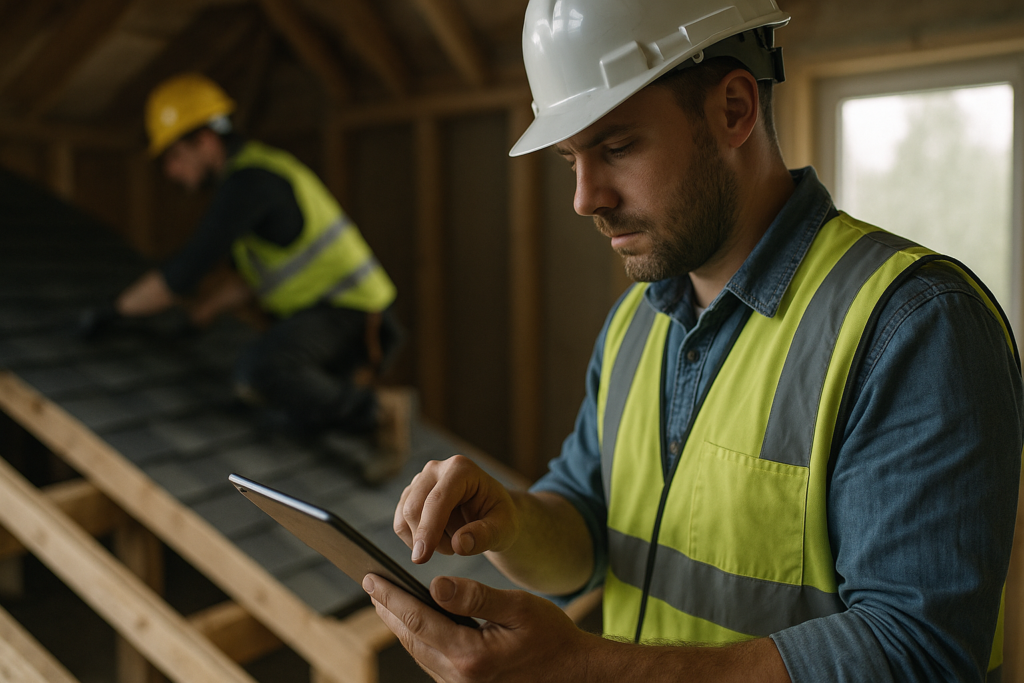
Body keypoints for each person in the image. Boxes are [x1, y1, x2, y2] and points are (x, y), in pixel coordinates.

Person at [362, 0, 1024, 681]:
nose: (585, 198)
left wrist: (583, 666)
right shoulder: (635, 323)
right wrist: (512, 519)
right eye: (570, 160)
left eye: (617, 147)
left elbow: (920, 655)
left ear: (734, 110)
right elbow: (588, 528)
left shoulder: (912, 325)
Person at [113, 73, 409, 484]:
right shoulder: (254, 175)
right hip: (335, 319)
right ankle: (338, 409)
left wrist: (115, 312)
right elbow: (250, 278)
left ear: (206, 141)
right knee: (284, 411)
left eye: (174, 156)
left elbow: (182, 273)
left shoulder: (250, 183)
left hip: (354, 317)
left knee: (260, 372)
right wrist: (202, 315)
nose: (171, 171)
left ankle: (379, 414)